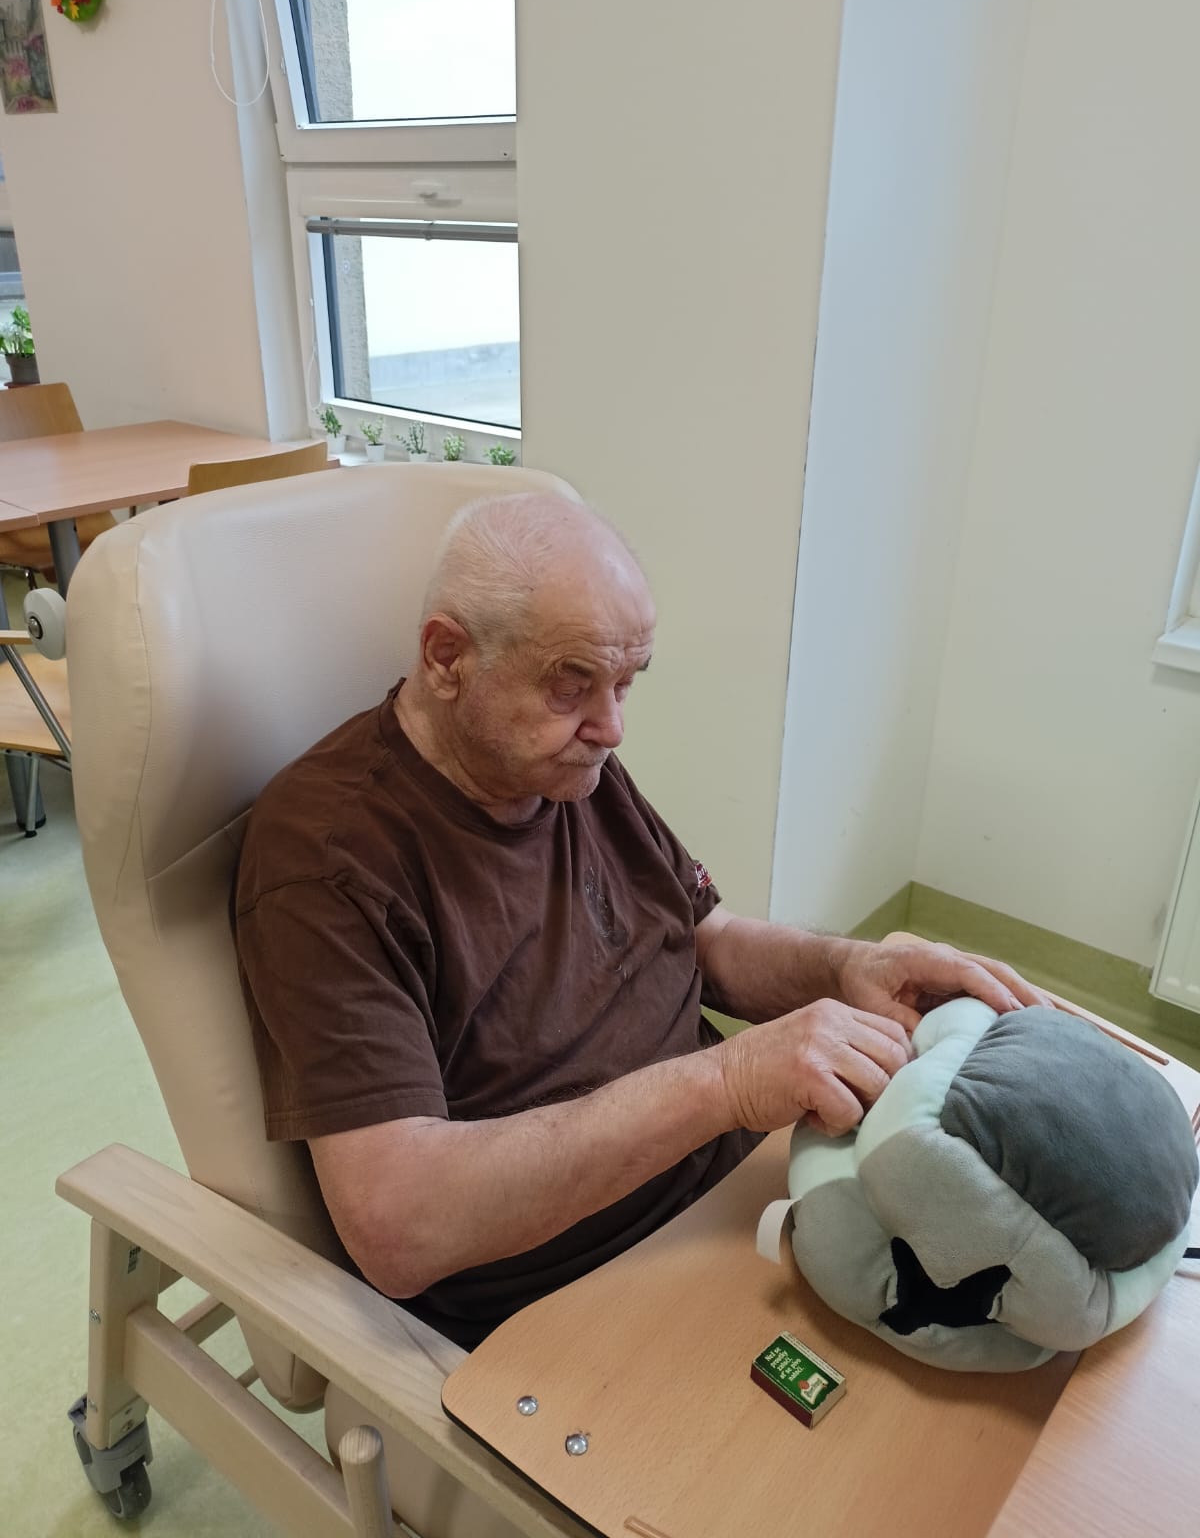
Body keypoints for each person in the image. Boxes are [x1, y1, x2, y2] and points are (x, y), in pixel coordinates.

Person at [235, 491, 1049, 1350]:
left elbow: (706, 941)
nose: (612, 726)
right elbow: (401, 1227)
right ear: (447, 658)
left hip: (745, 1190)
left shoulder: (559, 763)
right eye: (571, 684)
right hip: (577, 1291)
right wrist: (728, 1082)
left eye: (626, 684)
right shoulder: (328, 861)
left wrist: (846, 968)